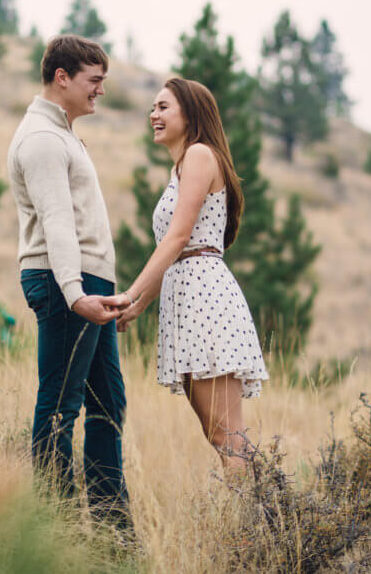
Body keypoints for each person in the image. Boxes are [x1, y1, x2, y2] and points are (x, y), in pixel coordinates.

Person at [112, 78, 269, 470]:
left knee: (227, 434)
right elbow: (173, 248)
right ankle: (263, 518)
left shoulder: (199, 154)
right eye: (153, 107)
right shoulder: (183, 165)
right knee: (219, 435)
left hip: (204, 297)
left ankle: (260, 523)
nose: (154, 115)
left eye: (163, 107)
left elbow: (180, 237)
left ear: (190, 113)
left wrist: (130, 294)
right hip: (186, 295)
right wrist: (139, 305)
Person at [7, 34, 130, 527]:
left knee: (108, 403)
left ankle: (110, 530)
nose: (100, 90)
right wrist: (77, 295)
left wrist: (104, 295)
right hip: (65, 287)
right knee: (61, 405)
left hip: (86, 287)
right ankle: (54, 532)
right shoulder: (42, 140)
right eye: (93, 81)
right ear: (63, 78)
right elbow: (58, 223)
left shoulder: (61, 133)